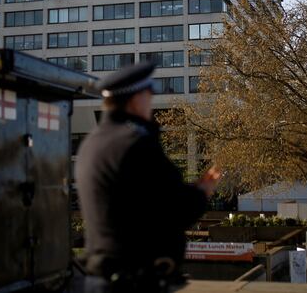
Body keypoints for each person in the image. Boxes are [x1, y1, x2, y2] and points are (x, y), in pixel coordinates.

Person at [76, 61, 221, 293]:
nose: (151, 101)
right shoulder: (135, 144)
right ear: (135, 99)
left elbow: (140, 202)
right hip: (134, 281)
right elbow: (174, 209)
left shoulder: (92, 143)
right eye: (149, 93)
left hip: (99, 278)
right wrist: (202, 192)